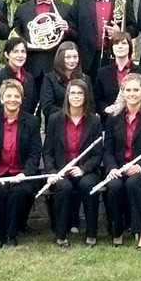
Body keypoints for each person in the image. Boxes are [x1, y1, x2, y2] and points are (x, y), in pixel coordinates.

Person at [0, 79, 43, 247]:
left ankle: (11, 235)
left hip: (22, 174)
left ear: (21, 99)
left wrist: (24, 174)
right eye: (8, 96)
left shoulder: (32, 122)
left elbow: (35, 154)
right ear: (1, 99)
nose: (12, 99)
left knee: (18, 192)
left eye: (16, 96)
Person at [102, 73, 141, 249]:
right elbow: (108, 150)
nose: (132, 93)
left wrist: (140, 167)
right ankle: (117, 230)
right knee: (114, 186)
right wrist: (112, 168)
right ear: (123, 92)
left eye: (136, 90)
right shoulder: (114, 119)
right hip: (119, 169)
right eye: (128, 90)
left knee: (133, 183)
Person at [44, 79, 104, 248]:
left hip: (84, 171)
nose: (76, 96)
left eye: (80, 93)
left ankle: (91, 233)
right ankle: (61, 234)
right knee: (64, 187)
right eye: (73, 93)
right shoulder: (55, 119)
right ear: (67, 96)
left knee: (88, 186)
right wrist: (53, 172)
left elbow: (97, 154)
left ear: (85, 96)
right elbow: (47, 152)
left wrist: (83, 169)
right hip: (60, 171)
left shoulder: (94, 121)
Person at [67, 0, 133, 77]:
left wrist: (120, 33)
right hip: (85, 58)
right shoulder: (81, 0)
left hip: (113, 57)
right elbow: (72, 26)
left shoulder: (123, 0)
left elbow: (134, 27)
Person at [12, 0, 73, 83]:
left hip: (55, 66)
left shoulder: (66, 9)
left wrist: (67, 29)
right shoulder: (22, 9)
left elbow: (75, 36)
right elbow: (15, 36)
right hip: (30, 65)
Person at [93, 32, 141, 121]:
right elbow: (97, 99)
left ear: (130, 47)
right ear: (112, 48)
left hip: (139, 121)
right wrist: (105, 109)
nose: (120, 46)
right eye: (116, 43)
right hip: (111, 121)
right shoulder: (103, 72)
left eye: (124, 43)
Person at [0, 37, 40, 118]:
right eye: (15, 52)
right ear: (7, 54)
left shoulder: (29, 78)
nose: (20, 55)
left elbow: (33, 104)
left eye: (23, 52)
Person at [39, 41, 85, 120]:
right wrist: (71, 114)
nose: (72, 61)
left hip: (81, 123)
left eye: (75, 57)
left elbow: (90, 106)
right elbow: (47, 107)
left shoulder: (85, 78)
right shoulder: (49, 78)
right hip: (57, 124)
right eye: (67, 57)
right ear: (60, 58)